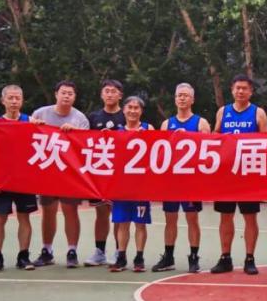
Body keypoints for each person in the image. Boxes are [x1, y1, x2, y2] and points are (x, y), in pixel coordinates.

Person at [211, 74, 267, 276]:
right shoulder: (223, 112)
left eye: (245, 88)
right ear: (232, 90)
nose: (241, 91)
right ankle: (225, 257)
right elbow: (214, 136)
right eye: (238, 88)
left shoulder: (258, 113)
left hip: (248, 174)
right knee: (225, 217)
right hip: (226, 174)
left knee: (250, 217)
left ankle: (249, 258)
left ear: (251, 91)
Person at [30, 80, 90, 268]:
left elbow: (86, 144)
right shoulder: (40, 113)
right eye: (63, 92)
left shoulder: (80, 118)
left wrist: (75, 132)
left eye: (70, 93)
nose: (66, 96)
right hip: (47, 171)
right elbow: (27, 135)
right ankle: (47, 250)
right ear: (56, 94)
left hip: (70, 174)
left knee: (70, 210)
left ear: (75, 97)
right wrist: (34, 125)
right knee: (48, 211)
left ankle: (72, 251)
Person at [152, 83, 210, 273]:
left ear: (192, 99)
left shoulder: (201, 123)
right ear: (175, 99)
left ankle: (194, 257)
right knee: (170, 218)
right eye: (179, 95)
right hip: (171, 181)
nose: (182, 98)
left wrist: (190, 138)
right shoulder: (166, 124)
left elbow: (209, 150)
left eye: (186, 95)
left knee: (192, 218)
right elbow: (160, 152)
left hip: (191, 180)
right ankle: (168, 257)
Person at [0, 85, 37, 272]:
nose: (14, 101)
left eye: (18, 98)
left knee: (24, 217)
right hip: (1, 180)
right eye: (10, 98)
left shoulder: (31, 122)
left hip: (25, 179)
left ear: (22, 100)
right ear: (3, 101)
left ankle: (23, 256)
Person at [84, 79, 126, 267]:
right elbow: (82, 141)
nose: (110, 94)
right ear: (101, 94)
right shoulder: (93, 117)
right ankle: (99, 251)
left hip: (120, 173)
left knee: (118, 214)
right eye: (106, 91)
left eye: (113, 91)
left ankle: (119, 251)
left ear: (120, 95)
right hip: (99, 173)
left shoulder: (126, 115)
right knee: (101, 213)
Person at [109, 96, 153, 273]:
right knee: (123, 223)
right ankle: (121, 256)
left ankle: (139, 257)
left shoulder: (149, 129)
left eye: (136, 108)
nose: (133, 111)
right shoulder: (116, 132)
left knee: (140, 223)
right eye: (130, 107)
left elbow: (160, 150)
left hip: (142, 186)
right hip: (122, 186)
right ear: (124, 110)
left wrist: (148, 137)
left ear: (141, 111)